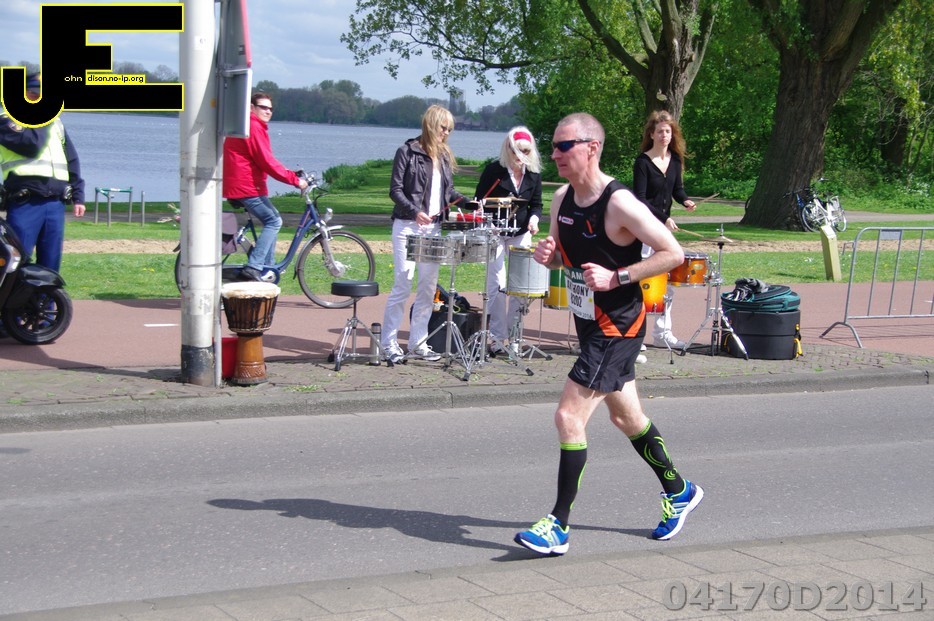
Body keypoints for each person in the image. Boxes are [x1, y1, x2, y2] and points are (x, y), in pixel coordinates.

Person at [515, 112, 703, 556]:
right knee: (627, 418)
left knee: (568, 417)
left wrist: (617, 277)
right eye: (554, 146)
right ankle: (679, 491)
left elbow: (673, 253)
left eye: (565, 146)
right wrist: (549, 255)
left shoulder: (619, 203)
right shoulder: (561, 198)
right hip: (589, 322)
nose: (555, 154)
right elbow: (563, 257)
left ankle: (558, 525)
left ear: (591, 148)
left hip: (618, 326)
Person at [381, 104, 467, 364]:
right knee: (402, 283)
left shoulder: (444, 156)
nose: (447, 133)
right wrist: (414, 211)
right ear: (431, 125)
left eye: (450, 129)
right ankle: (388, 342)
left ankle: (418, 341)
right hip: (407, 225)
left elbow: (448, 193)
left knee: (428, 288)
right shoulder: (407, 151)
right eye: (443, 128)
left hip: (434, 228)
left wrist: (468, 203)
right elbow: (395, 190)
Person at [0, 72, 86, 274]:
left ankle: (47, 296)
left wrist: (78, 196)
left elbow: (71, 160)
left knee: (51, 265)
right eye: (33, 94)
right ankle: (14, 296)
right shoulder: (6, 120)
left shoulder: (56, 124)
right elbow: (31, 146)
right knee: (17, 262)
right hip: (25, 202)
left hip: (55, 203)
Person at [222, 91, 307, 282]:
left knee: (272, 219)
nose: (268, 111)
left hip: (243, 185)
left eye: (270, 108)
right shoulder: (253, 126)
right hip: (246, 187)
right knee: (274, 221)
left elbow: (262, 160)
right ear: (252, 108)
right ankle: (254, 266)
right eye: (263, 107)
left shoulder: (248, 125)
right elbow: (266, 161)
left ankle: (266, 269)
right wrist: (295, 181)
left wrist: (290, 173)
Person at [473, 127, 543, 355]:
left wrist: (534, 220)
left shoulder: (533, 173)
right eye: (516, 151)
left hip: (520, 232)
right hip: (495, 232)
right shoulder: (494, 170)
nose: (520, 156)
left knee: (518, 285)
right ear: (508, 149)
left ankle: (514, 337)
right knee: (496, 282)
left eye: (526, 151)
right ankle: (496, 338)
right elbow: (478, 201)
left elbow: (536, 205)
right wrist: (487, 223)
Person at [632, 110, 697, 349]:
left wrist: (685, 200)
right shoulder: (642, 162)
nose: (664, 135)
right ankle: (634, 335)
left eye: (668, 131)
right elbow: (640, 199)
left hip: (663, 229)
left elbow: (676, 189)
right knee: (641, 282)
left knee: (667, 281)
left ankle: (662, 334)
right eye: (660, 131)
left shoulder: (675, 160)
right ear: (651, 134)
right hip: (643, 228)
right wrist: (664, 218)